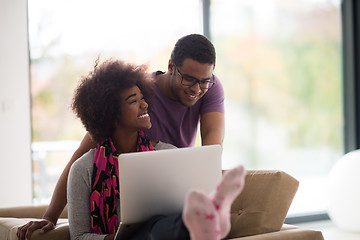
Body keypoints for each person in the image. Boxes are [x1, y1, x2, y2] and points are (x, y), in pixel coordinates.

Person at [17, 34, 225, 239]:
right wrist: (50, 217)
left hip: (172, 184)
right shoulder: (133, 91)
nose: (197, 89)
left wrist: (206, 183)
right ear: (171, 66)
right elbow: (81, 159)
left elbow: (212, 144)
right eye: (189, 79)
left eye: (205, 81)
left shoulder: (209, 88)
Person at [65, 59, 243, 239]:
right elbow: (79, 237)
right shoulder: (83, 170)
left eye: (143, 98)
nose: (145, 105)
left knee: (168, 224)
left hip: (167, 232)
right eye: (134, 101)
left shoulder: (167, 154)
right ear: (111, 113)